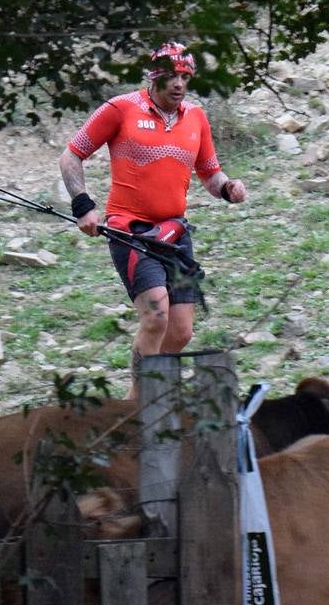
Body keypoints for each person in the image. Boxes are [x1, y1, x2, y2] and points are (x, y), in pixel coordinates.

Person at [58, 41, 247, 397]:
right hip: (129, 230)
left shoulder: (196, 118)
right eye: (172, 76)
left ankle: (150, 398)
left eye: (185, 77)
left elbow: (210, 175)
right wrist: (83, 205)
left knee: (180, 331)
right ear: (155, 76)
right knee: (156, 315)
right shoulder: (121, 109)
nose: (179, 84)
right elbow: (71, 155)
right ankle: (137, 408)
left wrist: (229, 189)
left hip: (175, 233)